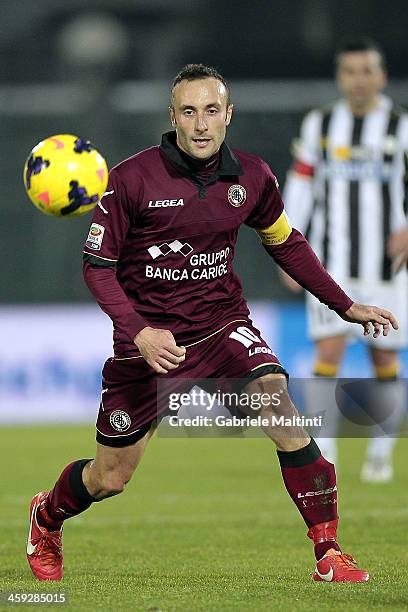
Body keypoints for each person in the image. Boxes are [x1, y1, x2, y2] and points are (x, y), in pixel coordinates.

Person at [27, 64, 398, 583]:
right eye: (188, 112)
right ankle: (47, 515)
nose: (201, 124)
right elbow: (97, 268)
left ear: (228, 115)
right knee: (111, 477)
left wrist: (345, 305)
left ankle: (329, 551)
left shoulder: (252, 176)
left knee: (278, 402)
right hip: (149, 347)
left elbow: (285, 243)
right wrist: (139, 332)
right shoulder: (132, 180)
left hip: (222, 326)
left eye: (210, 111)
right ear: (172, 117)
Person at [281, 38, 408, 481]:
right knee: (328, 350)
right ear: (340, 77)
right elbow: (299, 189)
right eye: (350, 71)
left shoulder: (400, 126)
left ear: (381, 76)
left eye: (366, 71)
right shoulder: (320, 125)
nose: (358, 79)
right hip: (329, 264)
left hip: (387, 267)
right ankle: (326, 450)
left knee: (384, 361)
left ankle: (380, 451)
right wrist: (286, 249)